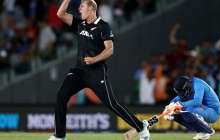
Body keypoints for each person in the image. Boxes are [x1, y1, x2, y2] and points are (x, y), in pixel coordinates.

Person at [48, 0, 150, 140]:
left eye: (82, 7)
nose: (79, 10)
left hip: (96, 72)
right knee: (61, 96)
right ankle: (59, 136)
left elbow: (110, 50)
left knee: (112, 104)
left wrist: (94, 59)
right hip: (79, 71)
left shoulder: (103, 26)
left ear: (91, 9)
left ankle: (141, 127)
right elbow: (60, 13)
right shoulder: (80, 24)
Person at [164, 76, 220, 140]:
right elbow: (176, 100)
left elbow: (197, 102)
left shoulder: (198, 84)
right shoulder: (188, 88)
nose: (181, 95)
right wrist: (169, 108)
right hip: (204, 110)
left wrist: (180, 105)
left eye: (182, 92)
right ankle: (202, 131)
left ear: (186, 88)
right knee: (176, 114)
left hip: (214, 112)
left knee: (188, 110)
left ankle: (206, 130)